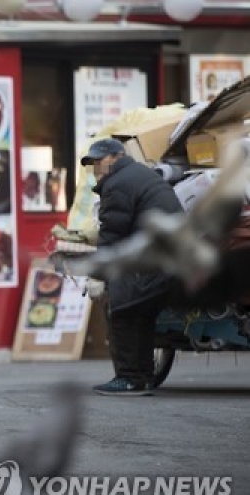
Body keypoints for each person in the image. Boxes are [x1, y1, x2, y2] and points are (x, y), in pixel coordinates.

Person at [81, 138, 183, 396]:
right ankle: (144, 377)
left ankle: (128, 378)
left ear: (115, 157)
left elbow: (112, 235)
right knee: (142, 315)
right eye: (92, 163)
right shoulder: (138, 175)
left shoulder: (118, 183)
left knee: (122, 309)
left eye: (98, 161)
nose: (96, 168)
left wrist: (99, 276)